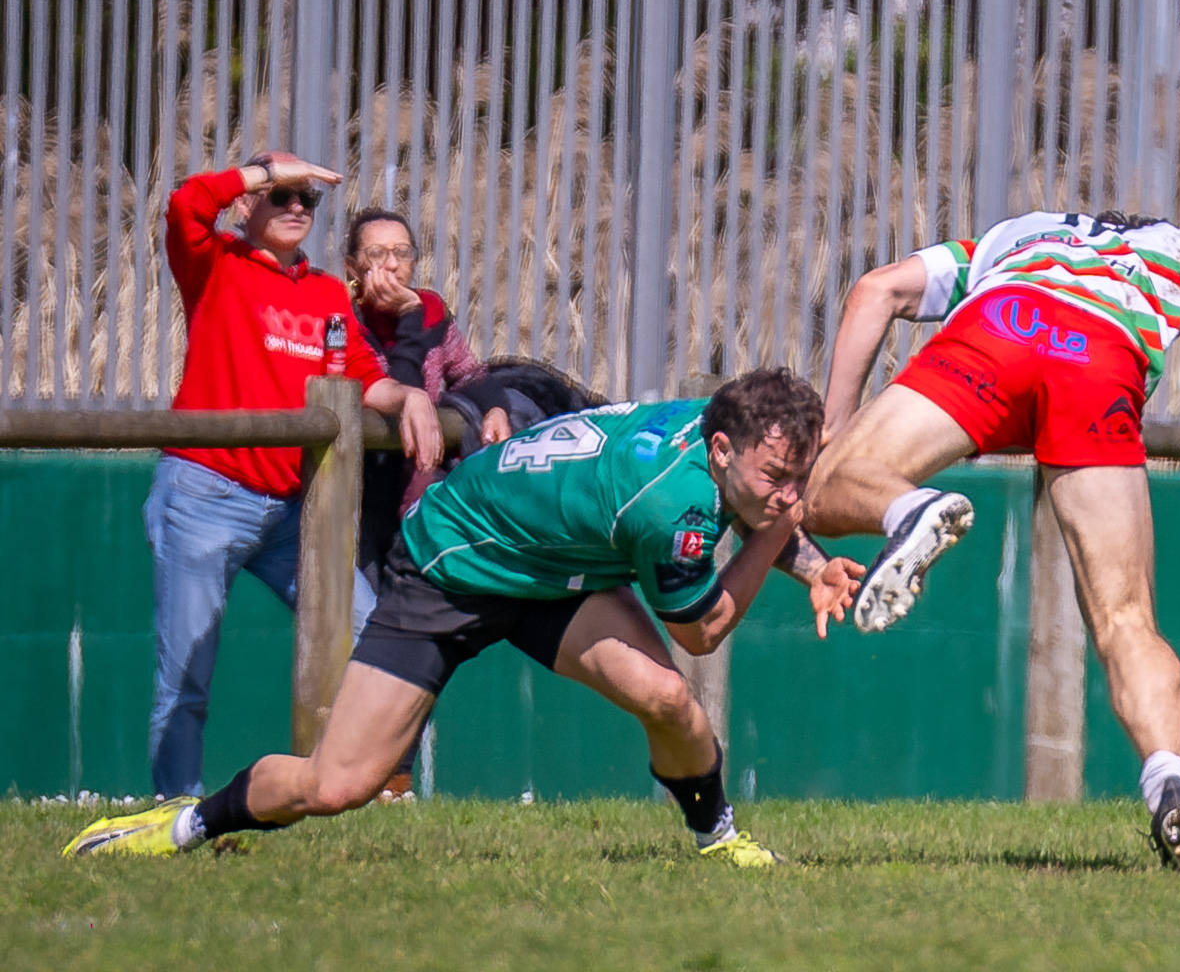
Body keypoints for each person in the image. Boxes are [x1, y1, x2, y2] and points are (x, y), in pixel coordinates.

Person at [66, 369, 862, 867]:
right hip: (450, 566)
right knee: (337, 785)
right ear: (722, 447)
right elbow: (705, 629)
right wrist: (792, 529)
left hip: (550, 567)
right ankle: (183, 825)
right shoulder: (669, 500)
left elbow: (749, 510)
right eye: (776, 476)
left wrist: (811, 561)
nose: (788, 492)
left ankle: (717, 840)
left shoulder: (710, 432)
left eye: (799, 476)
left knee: (667, 702)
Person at [802, 209, 1180, 874]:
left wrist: (832, 434)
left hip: (1003, 323)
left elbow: (877, 289)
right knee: (1126, 620)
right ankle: (1170, 783)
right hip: (1100, 358)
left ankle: (911, 507)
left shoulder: (1014, 234)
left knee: (827, 493)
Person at [147, 152, 442, 799]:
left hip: (290, 511)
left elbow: (366, 380)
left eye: (307, 199)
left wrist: (410, 398)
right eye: (280, 196)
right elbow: (184, 206)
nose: (295, 208)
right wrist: (260, 171)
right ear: (249, 203)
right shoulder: (215, 262)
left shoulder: (328, 293)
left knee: (372, 633)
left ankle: (360, 791)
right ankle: (177, 811)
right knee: (187, 676)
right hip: (204, 492)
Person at [344, 205, 516, 800]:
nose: (392, 267)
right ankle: (339, 774)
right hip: (356, 501)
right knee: (363, 638)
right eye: (376, 256)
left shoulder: (432, 310)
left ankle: (394, 780)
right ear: (352, 268)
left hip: (421, 505)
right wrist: (410, 323)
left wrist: (494, 406)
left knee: (410, 642)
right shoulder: (342, 319)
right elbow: (399, 385)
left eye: (402, 255)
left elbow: (469, 372)